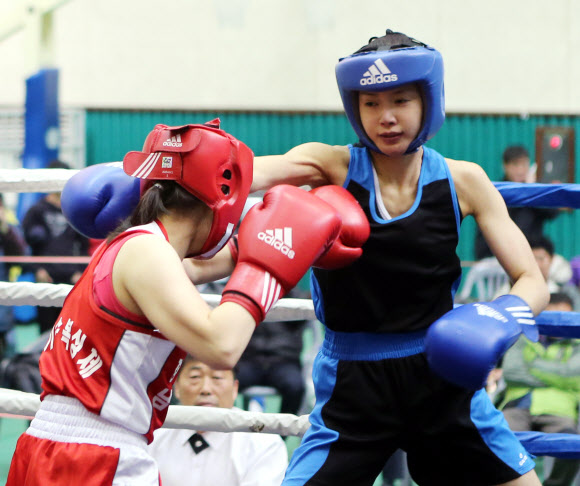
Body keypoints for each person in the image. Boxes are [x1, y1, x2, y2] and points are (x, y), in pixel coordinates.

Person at [251, 29, 549, 485]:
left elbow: (531, 277)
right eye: (371, 103)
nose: (385, 118)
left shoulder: (462, 181)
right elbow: (244, 174)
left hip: (442, 373)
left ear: (428, 101)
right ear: (356, 108)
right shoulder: (330, 166)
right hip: (353, 385)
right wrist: (157, 173)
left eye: (400, 101)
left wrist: (497, 318)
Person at [6, 120, 362, 485]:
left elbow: (204, 257)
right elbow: (221, 345)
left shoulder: (138, 248)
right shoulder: (147, 253)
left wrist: (279, 239)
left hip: (62, 449)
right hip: (95, 456)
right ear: (221, 202)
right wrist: (272, 262)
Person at [148, 355, 288, 486]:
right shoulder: (152, 435)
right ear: (176, 387)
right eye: (195, 377)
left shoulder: (263, 443)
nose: (206, 389)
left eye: (217, 377)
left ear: (235, 389)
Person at [500, 292, 580, 486]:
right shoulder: (523, 335)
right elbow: (511, 372)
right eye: (553, 317)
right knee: (499, 442)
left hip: (559, 408)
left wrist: (533, 366)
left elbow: (573, 377)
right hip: (516, 404)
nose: (558, 324)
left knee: (573, 445)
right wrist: (557, 376)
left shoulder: (577, 343)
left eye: (564, 318)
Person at [21, 159, 90, 333]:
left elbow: (83, 245)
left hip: (71, 277)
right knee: (46, 330)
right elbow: (26, 246)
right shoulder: (36, 211)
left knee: (69, 329)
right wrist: (38, 269)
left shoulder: (74, 209)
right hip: (45, 277)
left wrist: (80, 272)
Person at [473, 145, 560, 261]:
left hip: (531, 254)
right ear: (505, 166)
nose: (520, 170)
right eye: (515, 165)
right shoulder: (494, 191)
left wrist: (531, 190)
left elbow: (552, 212)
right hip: (498, 255)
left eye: (524, 165)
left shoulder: (534, 189)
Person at [236, 285, 309, 416]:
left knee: (296, 387)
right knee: (224, 382)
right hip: (249, 359)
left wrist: (285, 289)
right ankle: (233, 432)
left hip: (283, 361)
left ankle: (281, 435)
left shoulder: (295, 296)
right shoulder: (247, 290)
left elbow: (300, 320)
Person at [0, 194, 26, 359]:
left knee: (7, 353)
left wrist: (4, 228)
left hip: (3, 304)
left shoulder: (9, 228)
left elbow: (19, 257)